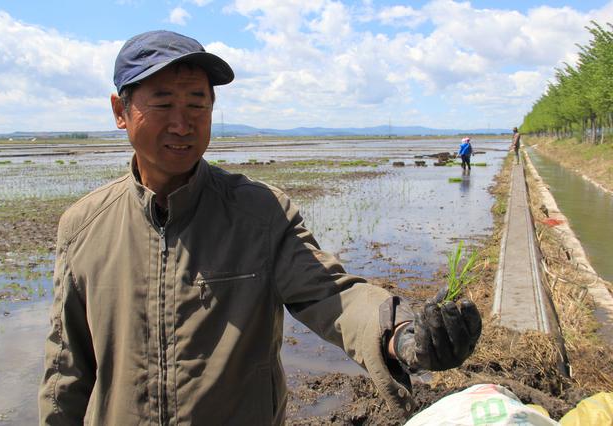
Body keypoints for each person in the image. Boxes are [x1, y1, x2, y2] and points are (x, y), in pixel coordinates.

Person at [38, 30, 482, 425]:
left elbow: (333, 294)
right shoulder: (83, 226)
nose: (182, 122)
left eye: (197, 103)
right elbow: (67, 366)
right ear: (121, 111)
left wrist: (402, 335)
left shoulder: (259, 214)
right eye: (162, 102)